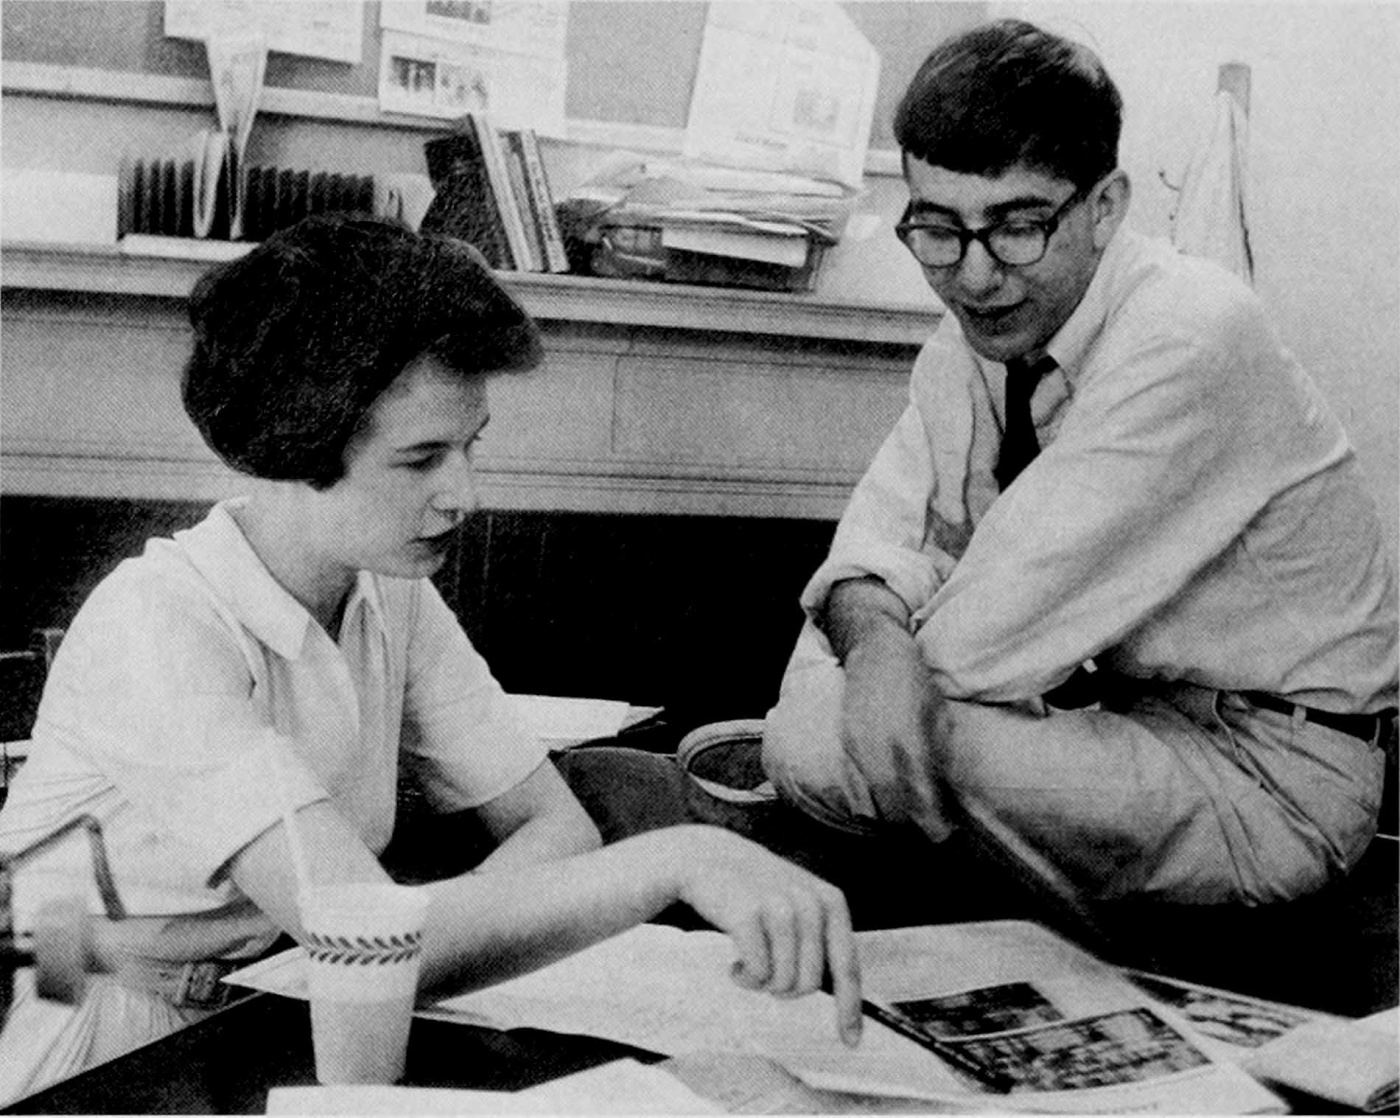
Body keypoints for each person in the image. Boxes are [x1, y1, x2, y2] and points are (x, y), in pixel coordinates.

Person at [0, 214, 861, 1102]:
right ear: (297, 450)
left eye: (469, 445)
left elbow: (552, 828)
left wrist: (408, 952)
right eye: (421, 460)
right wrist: (680, 860)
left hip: (282, 1013)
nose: (465, 493)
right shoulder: (156, 625)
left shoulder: (388, 590)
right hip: (106, 1052)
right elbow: (357, 943)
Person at [763, 19, 1398, 908]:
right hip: (1129, 731)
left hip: (1273, 782)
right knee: (843, 709)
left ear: (1105, 206)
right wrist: (872, 644)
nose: (975, 277)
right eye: (938, 229)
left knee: (819, 737)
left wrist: (869, 657)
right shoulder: (973, 344)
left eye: (1018, 227)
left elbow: (973, 644)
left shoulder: (1191, 333)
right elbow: (871, 553)